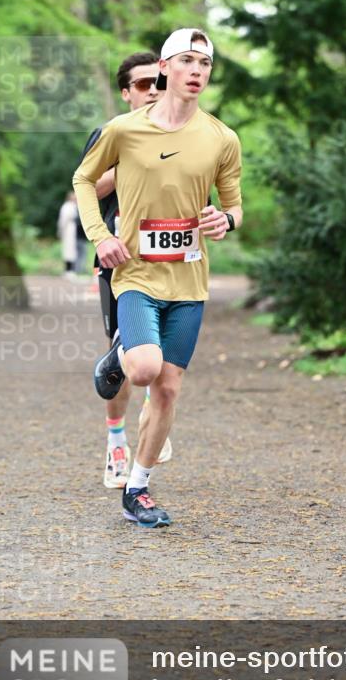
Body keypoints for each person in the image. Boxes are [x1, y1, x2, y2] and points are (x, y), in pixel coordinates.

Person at [73, 28, 243, 528]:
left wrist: (224, 221)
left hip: (190, 280)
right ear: (164, 69)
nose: (197, 71)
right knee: (144, 370)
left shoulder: (221, 138)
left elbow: (234, 208)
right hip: (135, 272)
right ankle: (123, 350)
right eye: (187, 61)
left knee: (167, 390)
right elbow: (83, 179)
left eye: (205, 64)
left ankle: (138, 489)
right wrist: (100, 234)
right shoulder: (124, 130)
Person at [79, 51, 173, 489]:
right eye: (141, 85)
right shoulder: (112, 133)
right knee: (121, 355)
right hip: (120, 263)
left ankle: (153, 419)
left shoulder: (184, 133)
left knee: (165, 359)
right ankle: (117, 444)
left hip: (171, 263)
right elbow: (88, 185)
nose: (152, 91)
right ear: (126, 92)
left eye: (158, 82)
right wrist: (131, 160)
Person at [57, 191, 78, 277]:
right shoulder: (67, 207)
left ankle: (70, 270)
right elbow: (63, 220)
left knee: (72, 250)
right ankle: (68, 270)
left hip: (72, 229)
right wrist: (61, 231)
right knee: (68, 250)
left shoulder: (73, 206)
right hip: (67, 230)